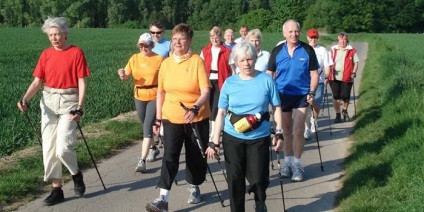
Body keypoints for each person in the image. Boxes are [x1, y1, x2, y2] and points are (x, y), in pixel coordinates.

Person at [16, 17, 90, 206]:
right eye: (51, 35)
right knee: (49, 148)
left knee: (64, 147)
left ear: (65, 34)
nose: (54, 38)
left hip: (69, 101)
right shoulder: (46, 54)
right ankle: (57, 190)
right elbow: (37, 82)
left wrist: (80, 107)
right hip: (48, 101)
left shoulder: (76, 52)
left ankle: (76, 174)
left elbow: (82, 81)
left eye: (57, 34)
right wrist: (24, 99)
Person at [206, 42, 283, 212]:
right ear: (236, 62)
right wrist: (214, 141)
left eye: (250, 59)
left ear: (255, 59)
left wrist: (279, 132)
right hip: (232, 138)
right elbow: (220, 113)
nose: (246, 63)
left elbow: (276, 107)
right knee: (235, 180)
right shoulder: (229, 83)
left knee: (259, 179)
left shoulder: (266, 80)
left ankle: (260, 202)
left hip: (259, 138)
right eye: (242, 60)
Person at [145, 23, 211, 212]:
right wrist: (158, 119)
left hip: (196, 117)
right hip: (171, 117)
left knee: (195, 157)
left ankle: (194, 186)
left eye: (182, 38)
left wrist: (196, 107)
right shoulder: (166, 63)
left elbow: (205, 90)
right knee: (170, 156)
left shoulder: (197, 61)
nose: (178, 42)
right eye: (175, 39)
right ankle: (163, 199)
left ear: (189, 40)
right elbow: (161, 93)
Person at [267, 19, 319, 182]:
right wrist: (270, 93)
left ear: (299, 32)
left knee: (298, 131)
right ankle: (287, 163)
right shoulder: (277, 51)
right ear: (284, 33)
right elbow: (269, 73)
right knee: (285, 131)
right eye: (290, 31)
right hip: (282, 96)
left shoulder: (307, 50)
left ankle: (297, 164)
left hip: (301, 95)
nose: (293, 34)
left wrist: (311, 92)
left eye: (296, 31)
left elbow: (314, 74)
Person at [117, 33, 164, 172]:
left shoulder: (159, 59)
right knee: (145, 124)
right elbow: (126, 74)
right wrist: (122, 74)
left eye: (147, 45)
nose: (144, 48)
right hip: (139, 95)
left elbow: (165, 77)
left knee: (148, 125)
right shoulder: (134, 58)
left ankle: (142, 160)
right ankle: (153, 148)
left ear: (152, 45)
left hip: (154, 95)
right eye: (141, 45)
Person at [200, 26, 232, 142]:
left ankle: (214, 133)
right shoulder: (205, 51)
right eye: (212, 37)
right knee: (207, 106)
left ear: (220, 37)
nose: (214, 39)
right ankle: (211, 130)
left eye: (216, 37)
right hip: (208, 81)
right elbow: (200, 67)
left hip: (221, 81)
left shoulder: (227, 51)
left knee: (216, 107)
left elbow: (232, 69)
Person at [303, 28, 333, 139]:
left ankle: (314, 120)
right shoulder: (303, 49)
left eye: (315, 37)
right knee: (306, 105)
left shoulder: (323, 50)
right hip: (305, 82)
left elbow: (327, 65)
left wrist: (326, 76)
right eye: (311, 37)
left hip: (319, 81)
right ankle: (307, 128)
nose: (313, 40)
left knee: (316, 104)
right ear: (307, 37)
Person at [328, 32, 359, 123]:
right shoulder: (333, 49)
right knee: (336, 97)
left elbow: (356, 62)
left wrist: (354, 72)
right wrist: (327, 73)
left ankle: (344, 111)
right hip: (334, 77)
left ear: (347, 41)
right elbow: (328, 62)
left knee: (345, 96)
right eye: (340, 39)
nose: (342, 41)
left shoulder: (351, 50)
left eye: (344, 40)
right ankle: (338, 115)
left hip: (347, 76)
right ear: (338, 40)